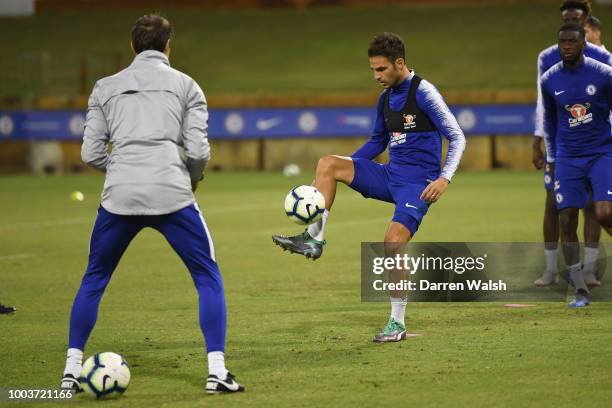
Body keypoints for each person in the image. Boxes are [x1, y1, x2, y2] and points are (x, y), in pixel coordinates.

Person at [59, 14, 244, 394]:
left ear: (133, 46)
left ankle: (70, 370)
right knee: (207, 277)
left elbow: (91, 152)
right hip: (172, 193)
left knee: (95, 278)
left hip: (119, 197)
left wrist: (123, 170)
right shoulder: (187, 86)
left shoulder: (104, 87)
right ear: (168, 45)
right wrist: (191, 178)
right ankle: (216, 372)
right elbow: (197, 150)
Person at [272, 32, 466, 342]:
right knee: (328, 164)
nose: (376, 76)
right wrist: (350, 165)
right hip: (390, 176)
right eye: (373, 70)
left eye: (381, 69)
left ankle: (397, 323)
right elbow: (378, 141)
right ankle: (314, 238)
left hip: (417, 186)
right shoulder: (385, 98)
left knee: (392, 244)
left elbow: (457, 137)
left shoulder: (425, 93)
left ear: (399, 63)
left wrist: (444, 178)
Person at [532, 0, 611, 288]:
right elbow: (545, 103)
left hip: (598, 145)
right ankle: (553, 270)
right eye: (567, 18)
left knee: (595, 208)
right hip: (564, 148)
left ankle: (587, 271)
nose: (572, 22)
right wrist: (538, 139)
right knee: (555, 206)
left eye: (577, 18)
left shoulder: (603, 60)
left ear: (587, 19)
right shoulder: (547, 59)